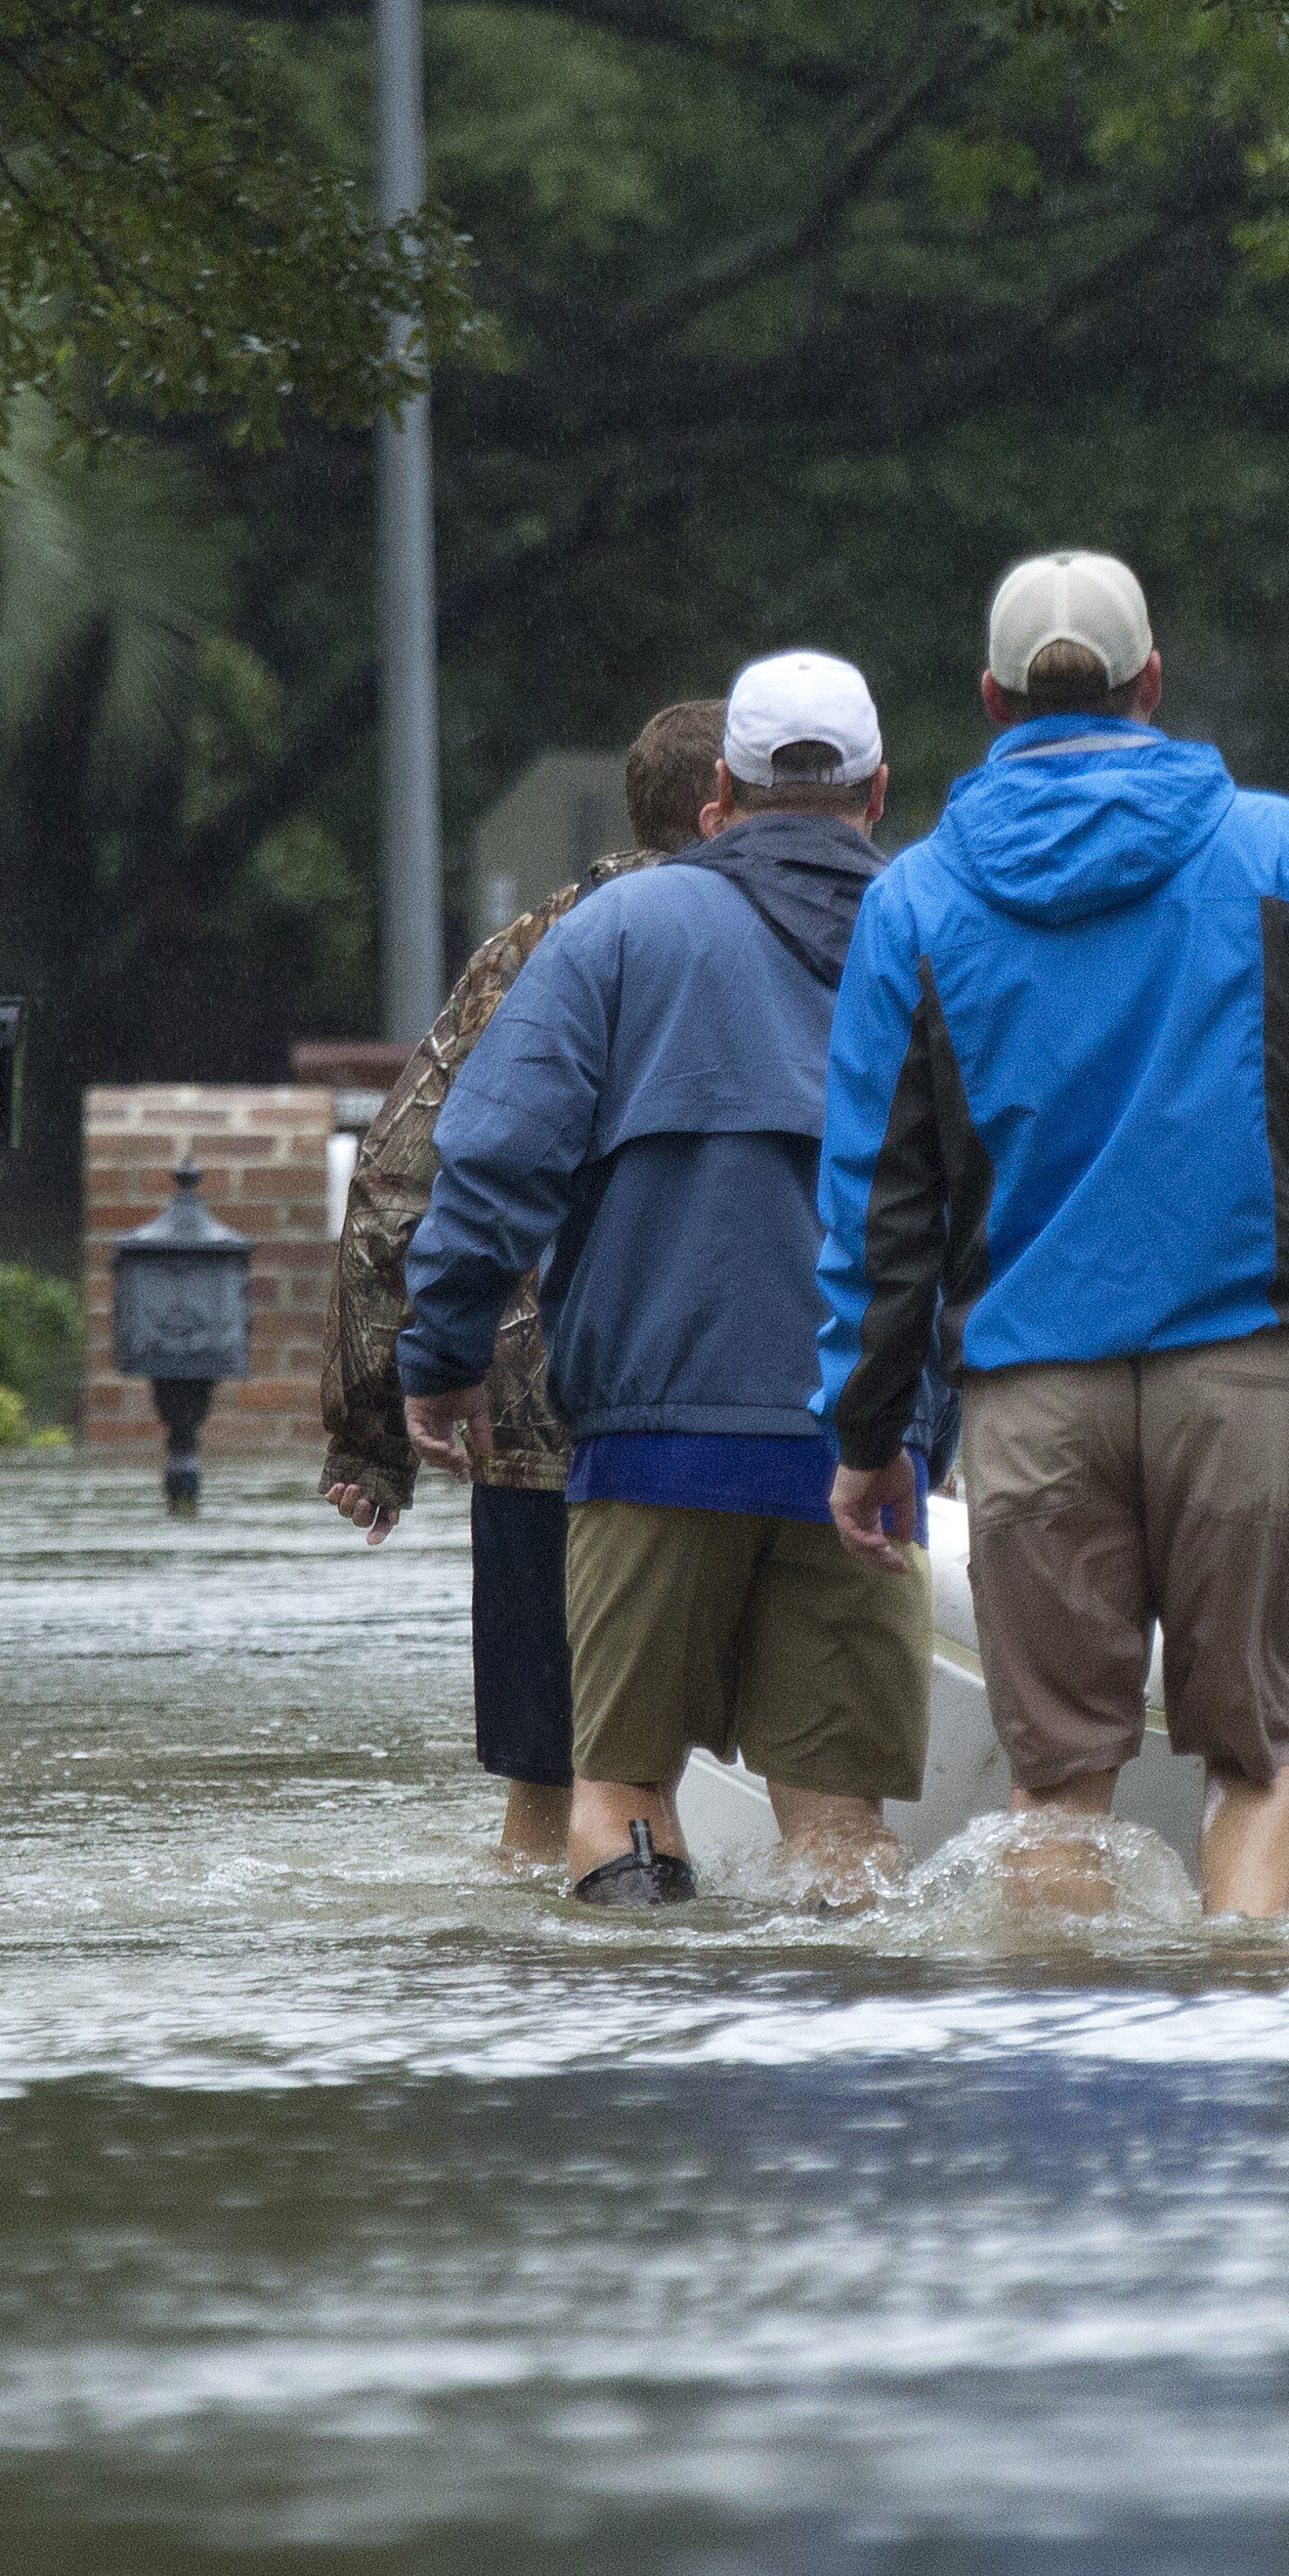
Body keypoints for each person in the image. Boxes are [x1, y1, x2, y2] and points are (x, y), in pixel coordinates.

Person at [818, 551, 1289, 1919]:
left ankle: (1071, 2081)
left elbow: (881, 1205)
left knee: (1056, 1787)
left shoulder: (912, 904)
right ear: (1154, 685)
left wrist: (867, 1431)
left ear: (991, 697)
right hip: (1242, 1377)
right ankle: (1239, 2031)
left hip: (1029, 1399)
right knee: (1257, 1759)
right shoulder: (1277, 852)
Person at [400, 652, 938, 1909]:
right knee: (841, 1816)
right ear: (876, 791)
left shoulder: (617, 932)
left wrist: (444, 1352)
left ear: (723, 789)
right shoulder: (938, 931)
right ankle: (839, 2069)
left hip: (651, 1446)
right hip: (862, 1444)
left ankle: (650, 2031)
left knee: (622, 1786)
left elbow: (489, 1155)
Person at [322, 700, 729, 1866]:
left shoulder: (530, 948)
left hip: (526, 1422)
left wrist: (369, 1439)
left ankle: (545, 2002)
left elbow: (395, 1182)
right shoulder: (778, 941)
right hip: (719, 1403)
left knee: (545, 1786)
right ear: (723, 807)